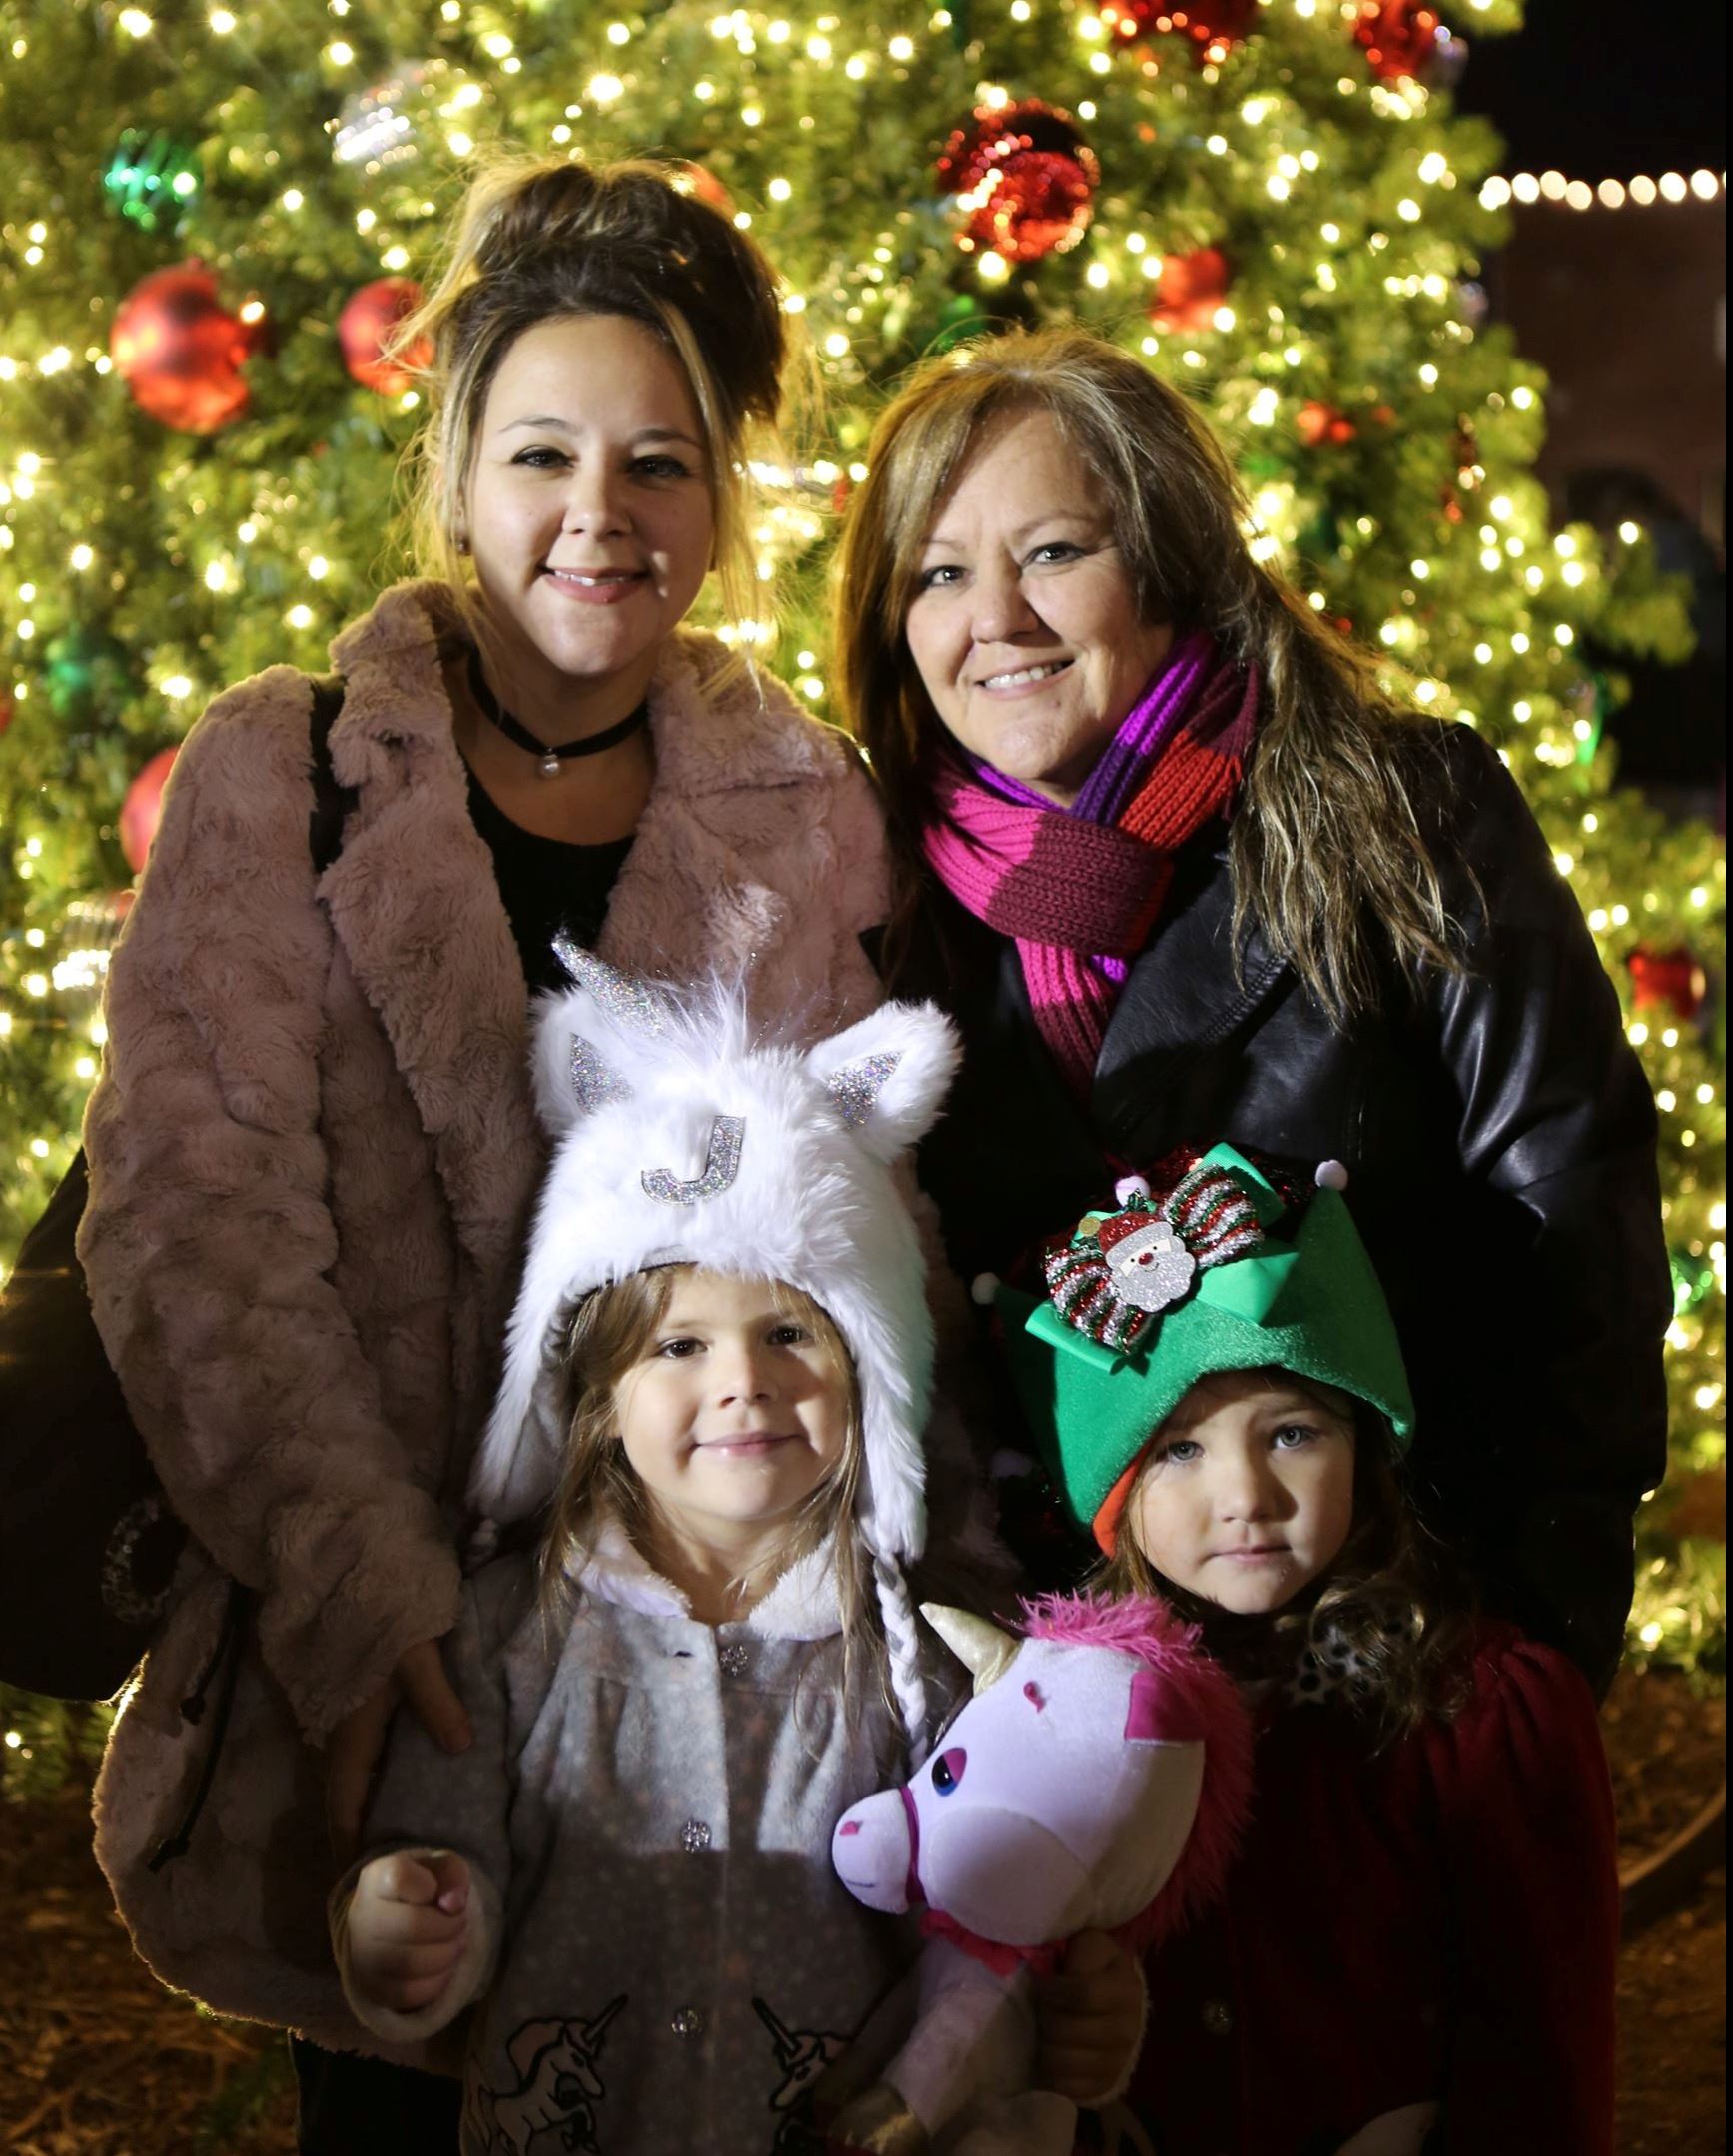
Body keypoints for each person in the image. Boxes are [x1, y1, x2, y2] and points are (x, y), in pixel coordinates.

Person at [77, 156, 889, 2145]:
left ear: (718, 504)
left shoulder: (808, 813)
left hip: (708, 1684)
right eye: (542, 453)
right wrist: (365, 1584)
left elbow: (854, 1244)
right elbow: (197, 1214)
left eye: (657, 462)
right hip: (386, 1673)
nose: (597, 512)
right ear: (459, 477)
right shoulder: (285, 767)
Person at [832, 326, 1670, 1697]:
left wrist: (1536, 1640)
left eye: (1051, 552)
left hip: (1408, 1659)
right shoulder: (864, 899)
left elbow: (1573, 1226)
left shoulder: (1404, 808)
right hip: (1064, 1705)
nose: (993, 617)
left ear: (1168, 565)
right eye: (936, 573)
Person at [332, 958, 971, 2153]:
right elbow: (437, 1845)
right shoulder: (502, 1629)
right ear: (594, 1395)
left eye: (791, 1330)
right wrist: (408, 1919)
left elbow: (969, 1930)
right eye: (680, 1342)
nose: (744, 1379)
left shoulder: (907, 1666)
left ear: (873, 1382)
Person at [985, 1143, 1620, 2154]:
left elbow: (1545, 2073)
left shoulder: (1487, 1714)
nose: (1243, 1495)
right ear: (1110, 1497)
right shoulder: (1063, 1728)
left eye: (1290, 1432)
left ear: (1365, 1449)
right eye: (1178, 1450)